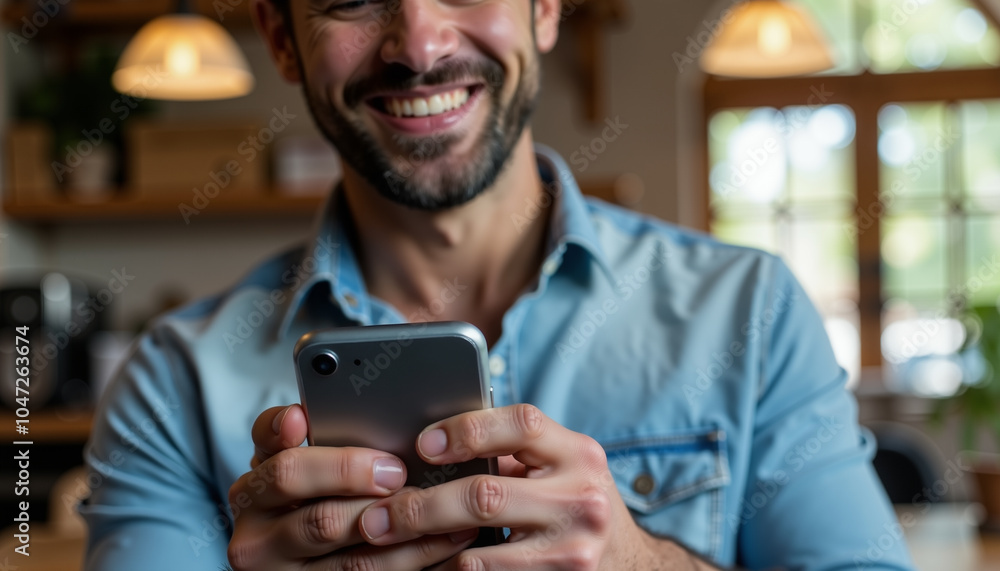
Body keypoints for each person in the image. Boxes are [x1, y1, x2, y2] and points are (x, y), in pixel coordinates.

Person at [80, 0, 915, 569]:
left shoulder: (753, 312)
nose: (419, 45)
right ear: (281, 36)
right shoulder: (172, 381)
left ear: (546, 7)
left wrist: (637, 560)